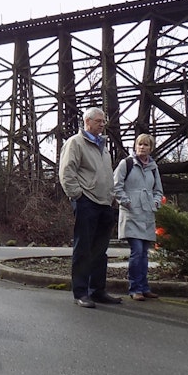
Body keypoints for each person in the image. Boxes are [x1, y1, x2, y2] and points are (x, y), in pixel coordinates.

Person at [58, 106, 122, 308]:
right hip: (87, 201)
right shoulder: (75, 143)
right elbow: (67, 171)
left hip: (104, 203)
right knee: (83, 248)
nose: (103, 124)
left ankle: (97, 291)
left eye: (104, 121)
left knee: (100, 251)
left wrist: (111, 196)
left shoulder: (102, 146)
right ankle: (80, 293)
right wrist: (77, 196)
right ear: (87, 122)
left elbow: (106, 175)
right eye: (99, 121)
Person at [113, 134, 164, 301]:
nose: (142, 147)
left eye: (146, 145)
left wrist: (156, 203)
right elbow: (116, 187)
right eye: (139, 144)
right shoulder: (126, 164)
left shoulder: (153, 168)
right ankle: (135, 288)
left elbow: (158, 190)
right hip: (132, 214)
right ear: (135, 146)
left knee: (144, 254)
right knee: (137, 251)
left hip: (147, 214)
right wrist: (127, 202)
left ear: (151, 148)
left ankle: (144, 287)